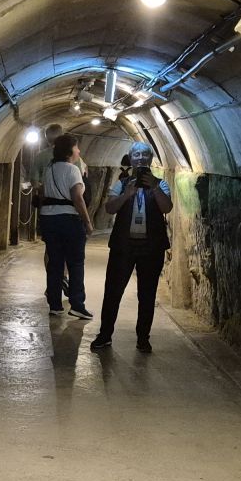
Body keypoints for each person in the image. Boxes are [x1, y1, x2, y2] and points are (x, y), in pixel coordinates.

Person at [90, 141, 171, 352]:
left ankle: (143, 338)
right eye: (136, 155)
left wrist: (153, 186)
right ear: (130, 159)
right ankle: (105, 335)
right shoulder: (122, 183)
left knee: (147, 294)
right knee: (113, 291)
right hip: (123, 246)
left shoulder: (160, 184)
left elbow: (167, 207)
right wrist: (127, 194)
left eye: (145, 155)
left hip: (151, 247)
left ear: (151, 159)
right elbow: (109, 208)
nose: (141, 159)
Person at [39, 133, 94, 319]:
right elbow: (77, 198)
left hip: (48, 219)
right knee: (75, 262)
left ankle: (55, 304)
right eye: (77, 147)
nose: (78, 150)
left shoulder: (50, 169)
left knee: (55, 262)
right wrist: (87, 222)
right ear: (70, 150)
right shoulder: (73, 170)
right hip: (69, 220)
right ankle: (77, 304)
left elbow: (43, 192)